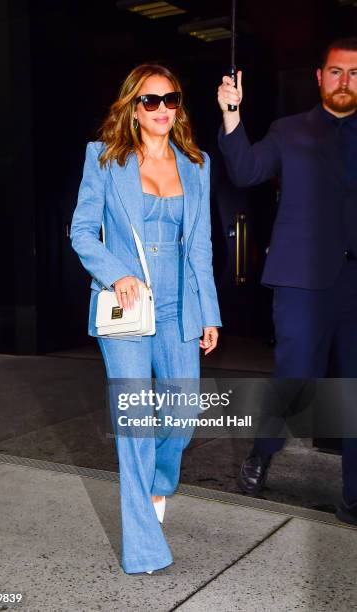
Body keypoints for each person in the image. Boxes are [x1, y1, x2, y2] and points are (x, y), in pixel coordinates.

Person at [71, 64, 221, 573]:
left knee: (182, 417)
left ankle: (160, 483)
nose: (161, 109)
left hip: (181, 305)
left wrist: (210, 315)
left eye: (170, 99)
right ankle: (144, 549)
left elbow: (200, 248)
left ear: (179, 105)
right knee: (135, 422)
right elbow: (83, 232)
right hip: (129, 307)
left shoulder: (196, 164)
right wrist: (117, 274)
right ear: (133, 107)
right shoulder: (105, 158)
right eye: (150, 100)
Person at [217, 37, 357, 526]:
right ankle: (262, 450)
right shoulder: (288, 130)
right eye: (336, 72)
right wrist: (232, 116)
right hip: (301, 282)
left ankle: (354, 494)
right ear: (319, 77)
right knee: (294, 381)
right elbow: (246, 169)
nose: (345, 81)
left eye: (355, 73)